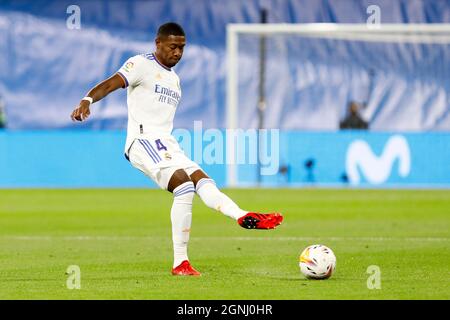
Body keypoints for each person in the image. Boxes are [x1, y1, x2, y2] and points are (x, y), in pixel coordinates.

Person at [70, 22, 283, 276]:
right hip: (142, 141)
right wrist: (87, 100)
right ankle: (180, 262)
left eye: (182, 47)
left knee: (203, 180)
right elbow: (110, 83)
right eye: (173, 46)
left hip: (166, 142)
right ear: (158, 43)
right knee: (183, 186)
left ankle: (242, 215)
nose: (178, 53)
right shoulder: (140, 64)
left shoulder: (175, 80)